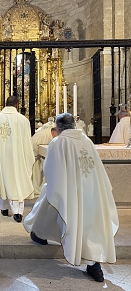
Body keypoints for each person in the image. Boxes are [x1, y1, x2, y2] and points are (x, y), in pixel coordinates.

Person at [23, 113, 119, 283]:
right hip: (92, 189)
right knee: (90, 225)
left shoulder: (58, 142)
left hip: (70, 190)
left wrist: (57, 187)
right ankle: (94, 265)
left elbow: (51, 170)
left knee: (56, 204)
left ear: (58, 128)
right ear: (74, 125)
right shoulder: (86, 141)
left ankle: (40, 234)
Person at [0, 96, 35, 223]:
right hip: (18, 159)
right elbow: (27, 143)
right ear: (17, 105)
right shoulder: (23, 120)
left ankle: (3, 208)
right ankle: (18, 212)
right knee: (17, 181)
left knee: (3, 179)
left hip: (2, 158)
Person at [31, 126, 57, 195]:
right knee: (37, 174)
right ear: (53, 133)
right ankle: (37, 189)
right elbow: (34, 145)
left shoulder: (50, 132)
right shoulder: (44, 135)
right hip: (35, 156)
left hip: (42, 156)